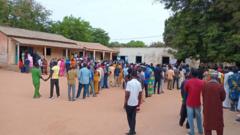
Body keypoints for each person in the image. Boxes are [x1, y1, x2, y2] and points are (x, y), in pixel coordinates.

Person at [202, 71, 226, 135]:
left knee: (207, 127)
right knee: (219, 127)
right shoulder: (220, 86)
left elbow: (203, 96)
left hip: (207, 109)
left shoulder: (205, 86)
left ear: (210, 77)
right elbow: (223, 98)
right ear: (217, 78)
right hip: (217, 110)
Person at [184, 69, 204, 135]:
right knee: (199, 117)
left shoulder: (188, 82)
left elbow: (186, 90)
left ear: (191, 74)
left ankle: (192, 132)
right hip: (197, 102)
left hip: (189, 102)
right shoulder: (202, 82)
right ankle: (200, 130)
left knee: (190, 118)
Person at [124, 71, 142, 135]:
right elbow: (140, 94)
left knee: (129, 117)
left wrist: (125, 103)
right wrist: (139, 103)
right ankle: (133, 130)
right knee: (133, 118)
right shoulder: (139, 83)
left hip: (129, 103)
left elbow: (127, 94)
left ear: (131, 76)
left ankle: (131, 130)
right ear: (136, 75)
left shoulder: (129, 83)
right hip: (135, 102)